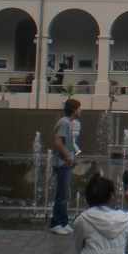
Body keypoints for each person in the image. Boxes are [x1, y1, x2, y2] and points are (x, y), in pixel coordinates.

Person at [49, 99, 81, 235]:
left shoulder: (67, 123)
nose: (80, 111)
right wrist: (67, 157)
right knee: (61, 195)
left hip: (66, 164)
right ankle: (55, 223)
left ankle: (63, 222)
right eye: (79, 108)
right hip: (62, 164)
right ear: (74, 110)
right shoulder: (64, 122)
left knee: (65, 194)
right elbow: (57, 143)